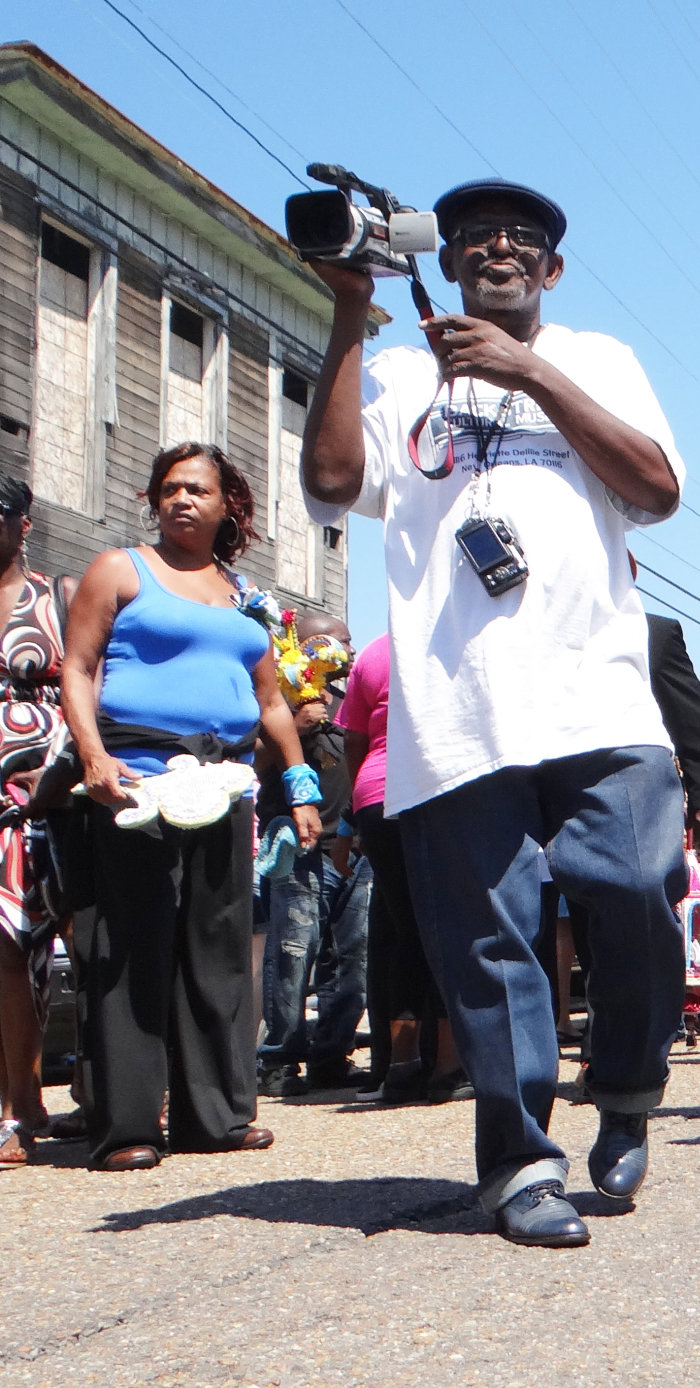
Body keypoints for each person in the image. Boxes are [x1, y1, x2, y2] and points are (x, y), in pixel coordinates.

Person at [301, 178, 687, 1248]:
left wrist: (527, 370)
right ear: (448, 257)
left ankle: (628, 1086)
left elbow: (653, 489)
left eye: (522, 238)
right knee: (493, 946)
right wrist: (346, 314)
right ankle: (520, 1162)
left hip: (597, 693)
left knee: (637, 890)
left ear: (551, 271)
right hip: (456, 709)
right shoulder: (393, 373)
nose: (498, 246)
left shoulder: (599, 357)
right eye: (473, 236)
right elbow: (333, 481)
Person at [59, 443, 320, 1171]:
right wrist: (92, 755)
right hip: (135, 781)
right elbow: (77, 669)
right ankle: (128, 1124)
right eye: (170, 488)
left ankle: (217, 1117)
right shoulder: (120, 569)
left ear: (226, 505)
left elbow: (271, 701)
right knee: (130, 949)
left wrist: (299, 785)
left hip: (225, 785)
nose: (181, 500)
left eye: (197, 490)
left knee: (218, 952)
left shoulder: (244, 596)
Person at [337, 632, 461, 1104]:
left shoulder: (374, 651)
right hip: (439, 787)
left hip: (377, 793)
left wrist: (359, 802)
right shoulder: (458, 633)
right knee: (449, 928)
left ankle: (402, 1064)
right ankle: (448, 1066)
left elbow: (354, 737)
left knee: (406, 932)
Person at [257, 620, 368, 1096]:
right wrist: (295, 730)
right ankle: (280, 1059)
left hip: (356, 848)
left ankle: (331, 1052)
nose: (348, 648)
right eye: (339, 641)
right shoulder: (275, 698)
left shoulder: (351, 700)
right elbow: (253, 761)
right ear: (307, 647)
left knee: (354, 958)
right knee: (292, 954)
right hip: (300, 845)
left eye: (348, 640)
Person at [0, 477, 74, 1166]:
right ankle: (20, 1106)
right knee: (4, 954)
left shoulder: (58, 597)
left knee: (85, 941)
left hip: (55, 798)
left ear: (23, 525)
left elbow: (88, 683)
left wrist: (66, 770)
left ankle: (118, 1092)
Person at [645, 607, 700, 1041]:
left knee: (636, 908)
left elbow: (691, 711)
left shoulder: (655, 633)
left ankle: (616, 1046)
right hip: (553, 790)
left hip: (639, 793)